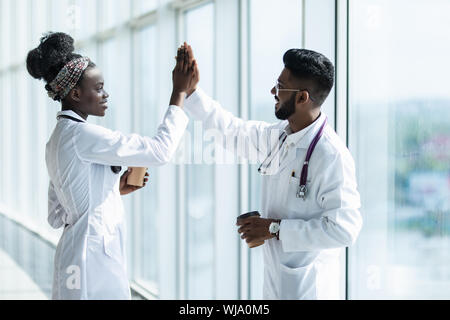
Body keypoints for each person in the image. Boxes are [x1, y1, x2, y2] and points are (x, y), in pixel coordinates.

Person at [180, 45, 362, 300]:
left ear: (302, 98)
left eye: (280, 87)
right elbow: (233, 132)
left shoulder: (331, 156)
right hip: (278, 283)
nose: (272, 92)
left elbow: (345, 230)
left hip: (309, 289)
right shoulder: (279, 137)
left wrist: (275, 229)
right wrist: (192, 92)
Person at [26, 32, 197, 300]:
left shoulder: (57, 141)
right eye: (99, 88)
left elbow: (57, 215)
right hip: (93, 262)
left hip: (74, 256)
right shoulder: (82, 136)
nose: (106, 94)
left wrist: (111, 190)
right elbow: (160, 151)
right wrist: (179, 93)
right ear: (75, 93)